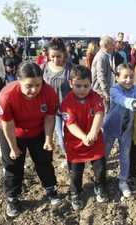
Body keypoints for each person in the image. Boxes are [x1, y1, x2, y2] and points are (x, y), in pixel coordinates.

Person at [0, 62, 62, 217]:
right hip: (13, 132)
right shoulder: (7, 95)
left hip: (37, 131)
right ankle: (13, 198)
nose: (34, 90)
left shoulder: (48, 93)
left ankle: (50, 189)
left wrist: (48, 139)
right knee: (13, 164)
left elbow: (49, 117)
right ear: (18, 80)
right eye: (29, 86)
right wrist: (13, 147)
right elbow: (8, 124)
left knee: (44, 160)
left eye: (38, 85)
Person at [60, 65, 108, 211]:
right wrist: (83, 136)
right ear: (70, 84)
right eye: (78, 85)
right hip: (75, 143)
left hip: (95, 141)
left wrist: (93, 133)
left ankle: (100, 186)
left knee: (100, 168)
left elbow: (99, 114)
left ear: (91, 84)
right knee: (75, 172)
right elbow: (70, 124)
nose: (82, 89)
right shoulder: (66, 102)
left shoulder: (96, 97)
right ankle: (76, 191)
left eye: (86, 86)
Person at [102, 63, 136, 198]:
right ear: (117, 77)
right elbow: (123, 100)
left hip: (127, 129)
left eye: (131, 77)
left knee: (125, 155)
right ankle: (100, 178)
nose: (128, 80)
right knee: (104, 153)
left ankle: (123, 180)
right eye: (125, 77)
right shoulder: (114, 89)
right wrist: (135, 104)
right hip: (111, 127)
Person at [42, 37, 75, 169]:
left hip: (68, 109)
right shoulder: (43, 68)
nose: (56, 60)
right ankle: (69, 157)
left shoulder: (71, 69)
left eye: (59, 56)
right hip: (52, 111)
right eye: (53, 56)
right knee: (60, 137)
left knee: (69, 135)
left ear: (64, 54)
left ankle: (74, 156)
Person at [91, 35, 115, 112]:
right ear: (105, 46)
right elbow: (100, 75)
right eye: (112, 45)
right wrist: (105, 92)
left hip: (102, 91)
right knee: (105, 113)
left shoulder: (104, 56)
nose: (114, 47)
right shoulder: (101, 57)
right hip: (101, 91)